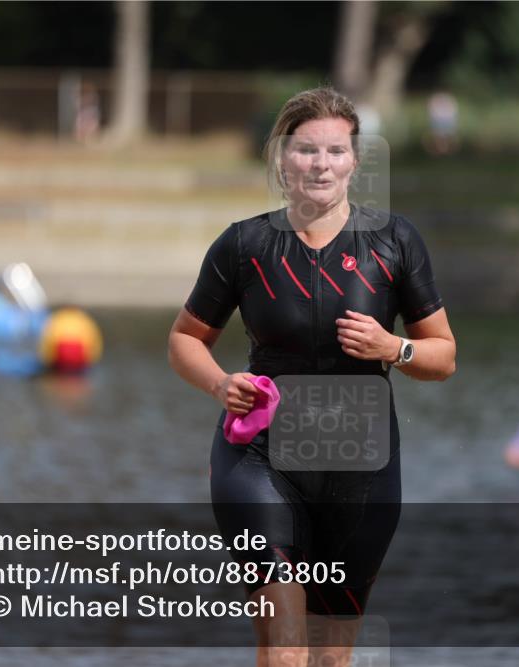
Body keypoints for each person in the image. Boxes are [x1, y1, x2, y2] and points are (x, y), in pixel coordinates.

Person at [168, 86, 456, 667]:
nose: (320, 164)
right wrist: (221, 384)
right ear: (281, 159)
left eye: (334, 151)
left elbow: (443, 356)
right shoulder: (245, 245)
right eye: (305, 150)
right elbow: (184, 340)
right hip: (260, 458)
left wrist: (392, 346)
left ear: (354, 162)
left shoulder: (395, 243)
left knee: (329, 657)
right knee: (287, 650)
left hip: (362, 467)